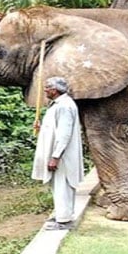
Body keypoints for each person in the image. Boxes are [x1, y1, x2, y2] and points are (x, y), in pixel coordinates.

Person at [32, 76, 84, 230]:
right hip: (59, 154)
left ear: (54, 90)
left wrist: (56, 156)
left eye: (47, 87)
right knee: (58, 185)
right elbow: (55, 129)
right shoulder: (57, 105)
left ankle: (64, 221)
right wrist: (42, 127)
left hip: (63, 156)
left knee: (63, 184)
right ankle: (62, 214)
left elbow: (64, 134)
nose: (45, 90)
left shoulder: (64, 106)